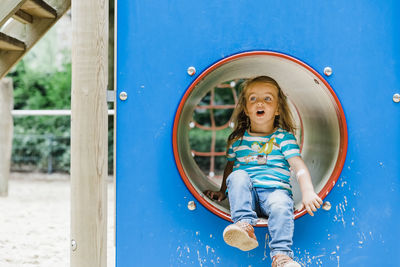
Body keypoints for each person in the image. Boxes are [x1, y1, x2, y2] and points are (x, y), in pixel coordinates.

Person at [204, 76, 322, 267]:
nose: (259, 102)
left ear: (277, 109)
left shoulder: (283, 138)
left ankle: (281, 257)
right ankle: (244, 225)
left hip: (274, 193)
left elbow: (298, 166)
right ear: (245, 108)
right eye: (253, 99)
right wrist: (222, 191)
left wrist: (308, 191)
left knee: (282, 204)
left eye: (267, 98)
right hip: (246, 195)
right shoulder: (238, 140)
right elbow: (230, 168)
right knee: (238, 175)